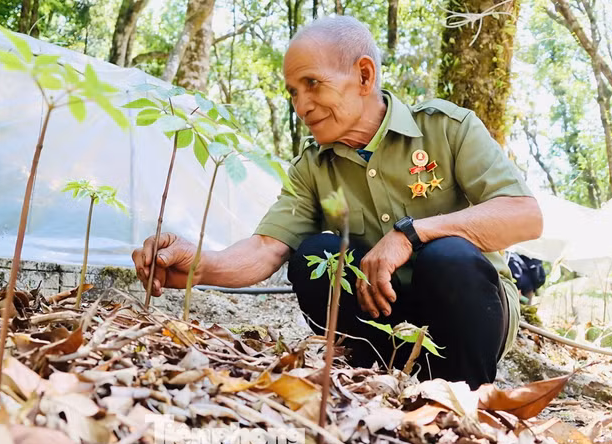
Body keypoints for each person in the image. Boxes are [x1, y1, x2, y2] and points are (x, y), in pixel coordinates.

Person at [131, 16, 543, 388]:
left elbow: (525, 216)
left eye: (313, 83)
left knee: (448, 256)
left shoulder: (446, 130)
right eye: (293, 92)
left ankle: (465, 395)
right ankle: (372, 375)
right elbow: (266, 249)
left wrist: (410, 235)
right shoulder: (314, 169)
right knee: (317, 255)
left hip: (471, 315)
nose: (301, 105)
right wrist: (202, 266)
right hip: (384, 318)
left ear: (364, 76)